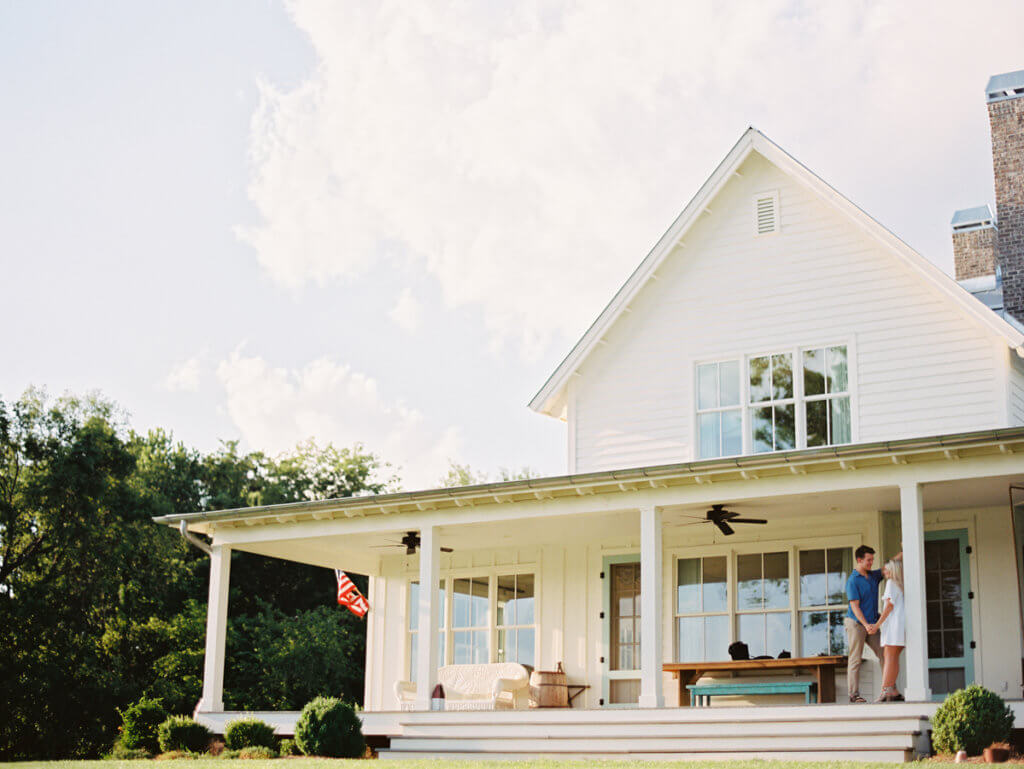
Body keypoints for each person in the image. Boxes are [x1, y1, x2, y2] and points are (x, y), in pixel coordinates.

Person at [844, 544, 901, 702]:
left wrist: (902, 552)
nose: (871, 562)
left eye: (872, 559)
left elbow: (886, 567)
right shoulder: (853, 581)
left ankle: (888, 690)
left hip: (871, 624)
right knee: (855, 658)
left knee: (884, 654)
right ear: (859, 560)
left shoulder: (873, 576)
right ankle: (854, 695)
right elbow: (854, 607)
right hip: (856, 623)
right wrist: (866, 624)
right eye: (868, 560)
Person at [873, 559, 906, 702]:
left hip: (893, 625)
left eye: (887, 569)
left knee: (889, 659)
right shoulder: (901, 585)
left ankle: (884, 692)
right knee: (893, 659)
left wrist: (877, 624)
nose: (884, 572)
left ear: (893, 571)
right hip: (900, 626)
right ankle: (893, 690)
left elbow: (888, 607)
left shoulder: (891, 583)